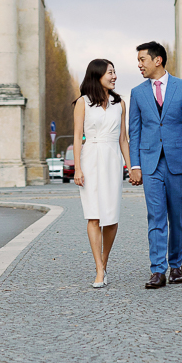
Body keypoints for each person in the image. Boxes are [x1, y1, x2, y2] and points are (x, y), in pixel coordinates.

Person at [129, 41, 182, 289]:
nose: (139, 65)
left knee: (177, 215)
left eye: (142, 60)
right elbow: (134, 132)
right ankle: (157, 270)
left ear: (157, 60)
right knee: (155, 215)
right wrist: (134, 165)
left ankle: (176, 264)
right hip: (150, 164)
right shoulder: (137, 93)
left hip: (178, 163)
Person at [73, 59, 130, 288]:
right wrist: (77, 167)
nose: (114, 76)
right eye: (110, 72)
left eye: (115, 72)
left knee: (112, 217)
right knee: (94, 215)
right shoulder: (82, 103)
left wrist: (131, 166)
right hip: (90, 158)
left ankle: (104, 263)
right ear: (97, 75)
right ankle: (99, 269)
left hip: (112, 158)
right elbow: (78, 137)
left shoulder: (120, 104)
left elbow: (123, 139)